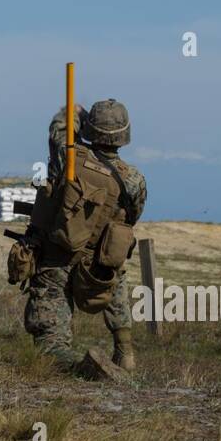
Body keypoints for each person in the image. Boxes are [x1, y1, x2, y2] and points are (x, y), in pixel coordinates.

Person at [17, 99, 148, 379]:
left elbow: (57, 132)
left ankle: (77, 369)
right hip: (100, 262)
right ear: (124, 135)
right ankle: (125, 351)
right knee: (118, 279)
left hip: (58, 257)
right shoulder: (134, 179)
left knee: (49, 337)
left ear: (90, 129)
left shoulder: (70, 159)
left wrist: (70, 112)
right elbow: (130, 218)